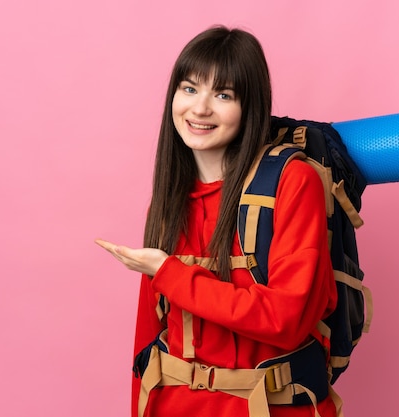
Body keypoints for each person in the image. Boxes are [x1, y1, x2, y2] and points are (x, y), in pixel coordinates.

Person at [99, 25, 338, 417]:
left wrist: (169, 272)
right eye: (189, 88)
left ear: (250, 107)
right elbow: (148, 338)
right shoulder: (167, 201)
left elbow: (285, 319)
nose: (200, 108)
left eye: (223, 94)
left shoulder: (294, 183)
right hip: (172, 405)